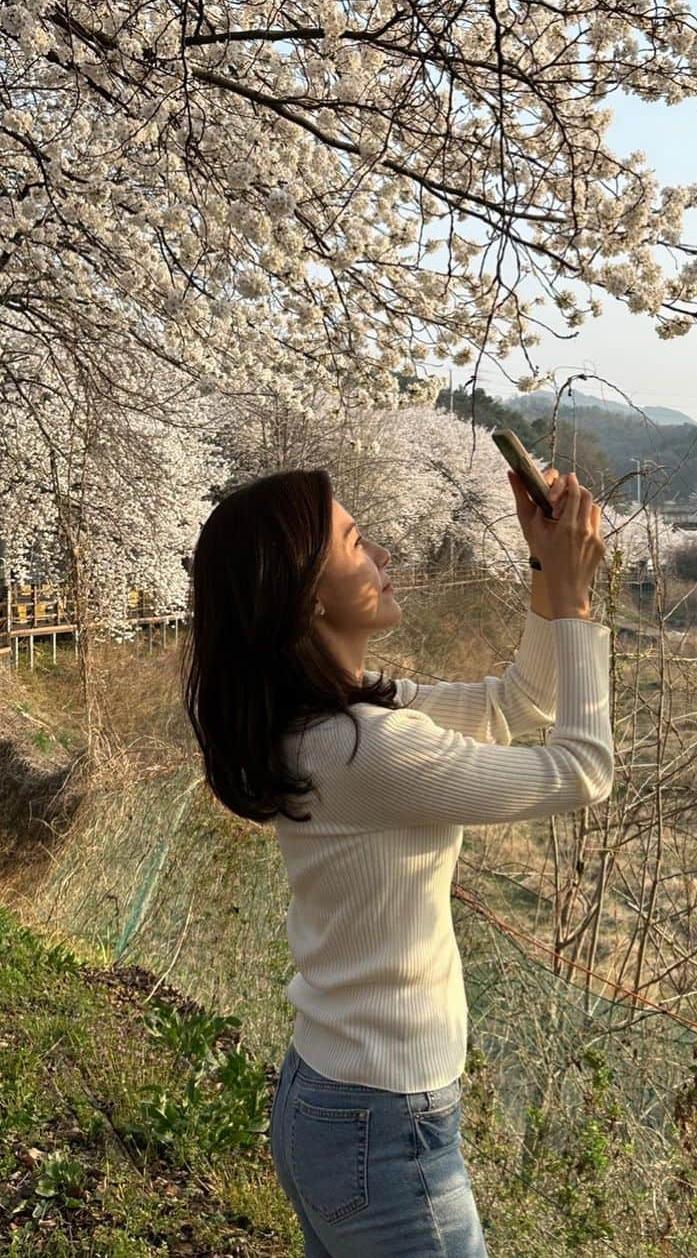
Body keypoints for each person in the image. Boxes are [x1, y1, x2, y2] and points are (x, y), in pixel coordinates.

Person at [180, 463, 612, 1256]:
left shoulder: (329, 717)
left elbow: (512, 707)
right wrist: (578, 603)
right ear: (305, 592)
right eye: (353, 540)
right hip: (382, 1123)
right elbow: (580, 770)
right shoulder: (364, 746)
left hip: (335, 1099)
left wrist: (548, 569)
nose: (382, 553)